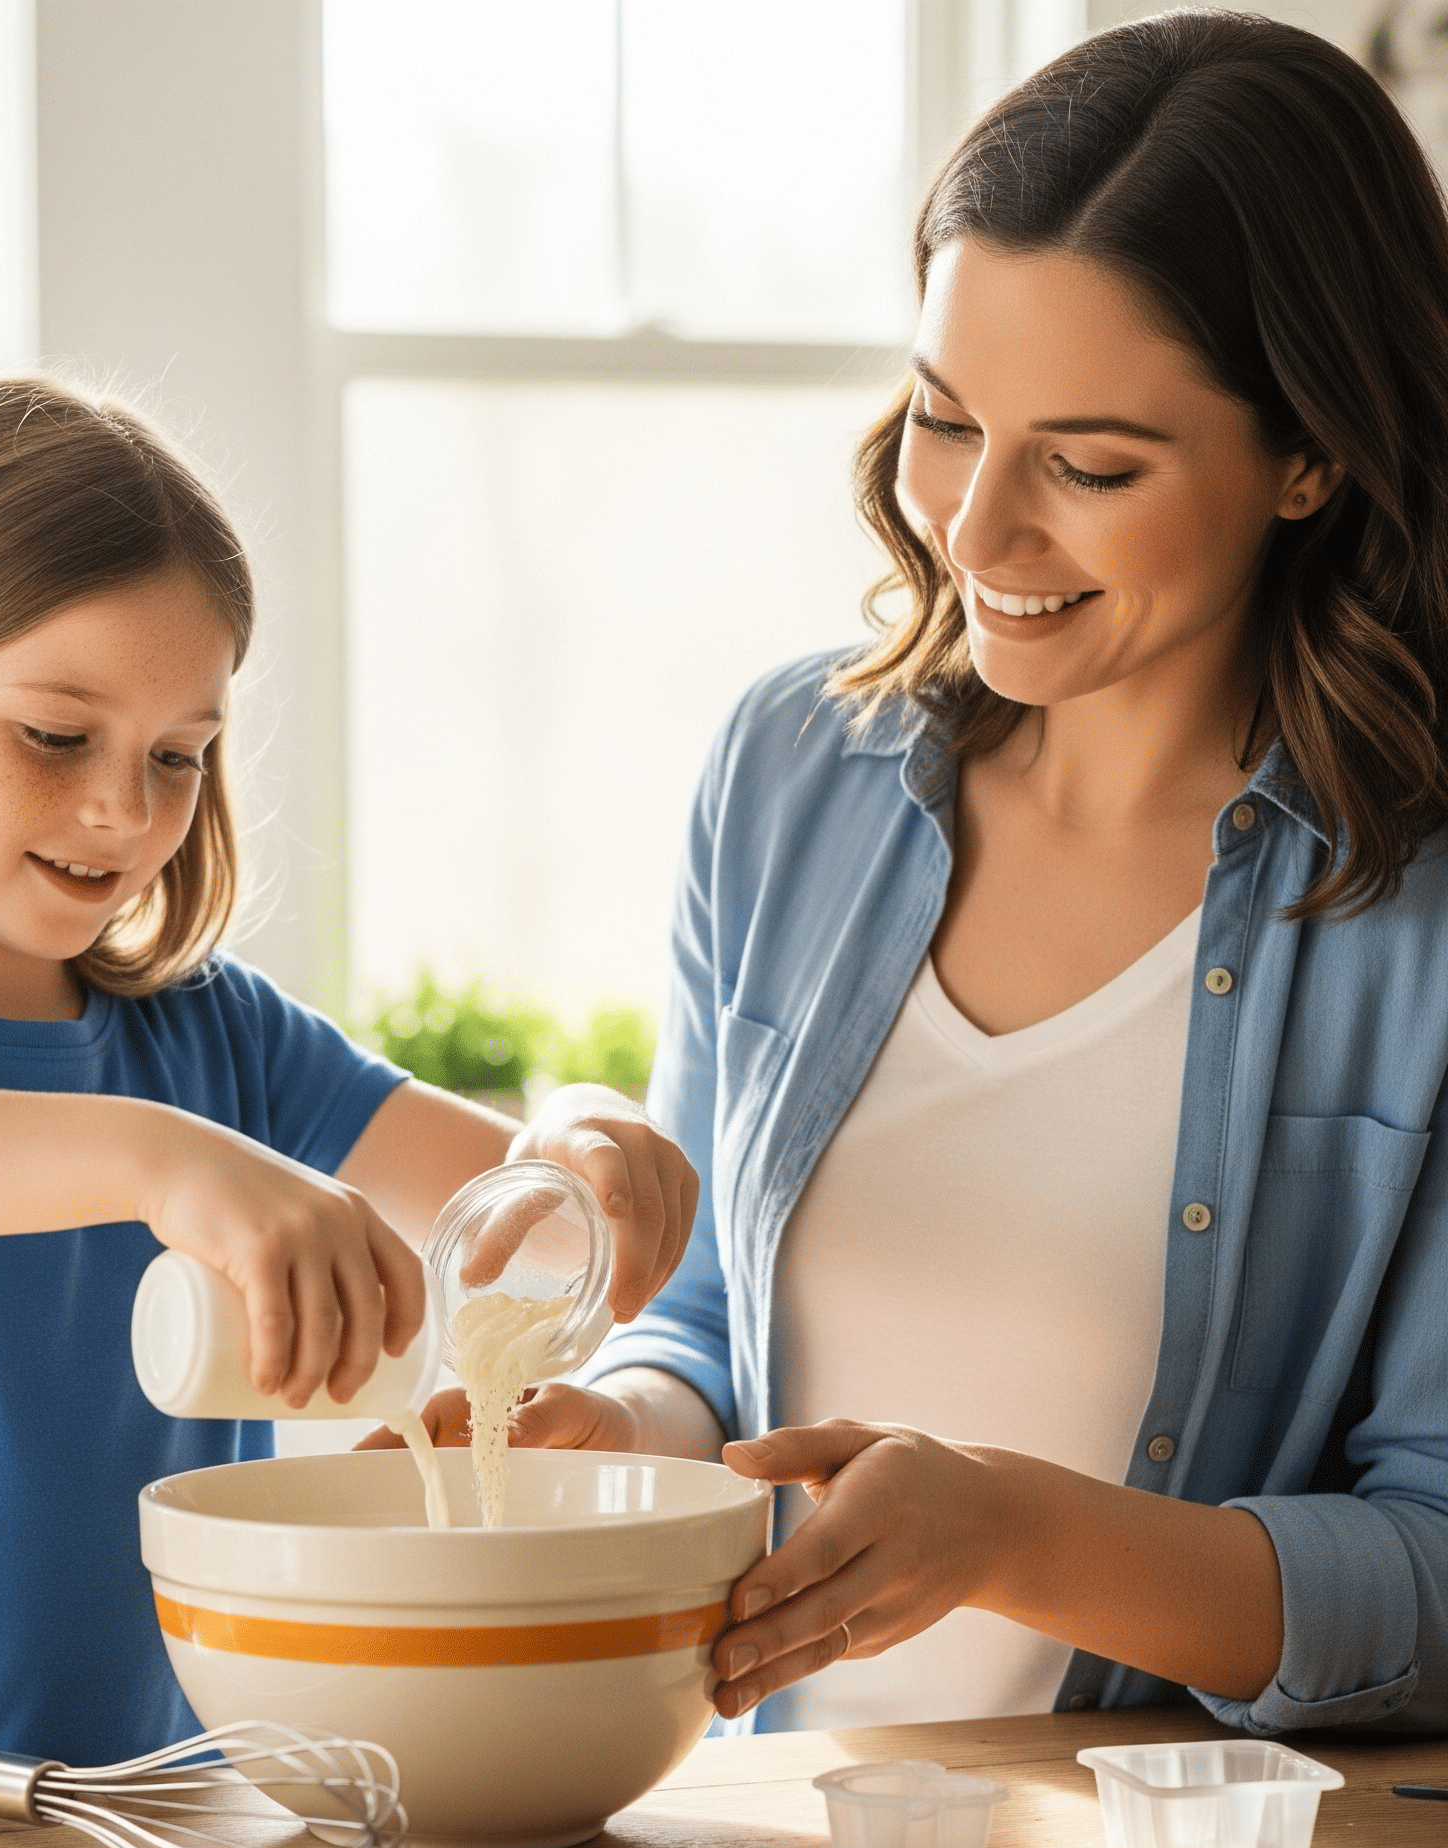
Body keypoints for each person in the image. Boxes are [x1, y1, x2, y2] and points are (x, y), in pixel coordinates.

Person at [398, 11, 1448, 1737]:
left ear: (1310, 456)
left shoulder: (1413, 923)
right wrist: (630, 1434)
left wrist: (1018, 1535)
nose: (975, 529)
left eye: (1090, 466)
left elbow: (1433, 1567)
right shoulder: (790, 773)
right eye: (949, 420)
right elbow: (722, 1318)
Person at [0, 376, 699, 1801]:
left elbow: (529, 1229)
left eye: (179, 755)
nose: (125, 810)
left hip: (166, 1825)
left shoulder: (211, 1036)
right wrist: (153, 1160)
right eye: (55, 736)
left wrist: (581, 1136)